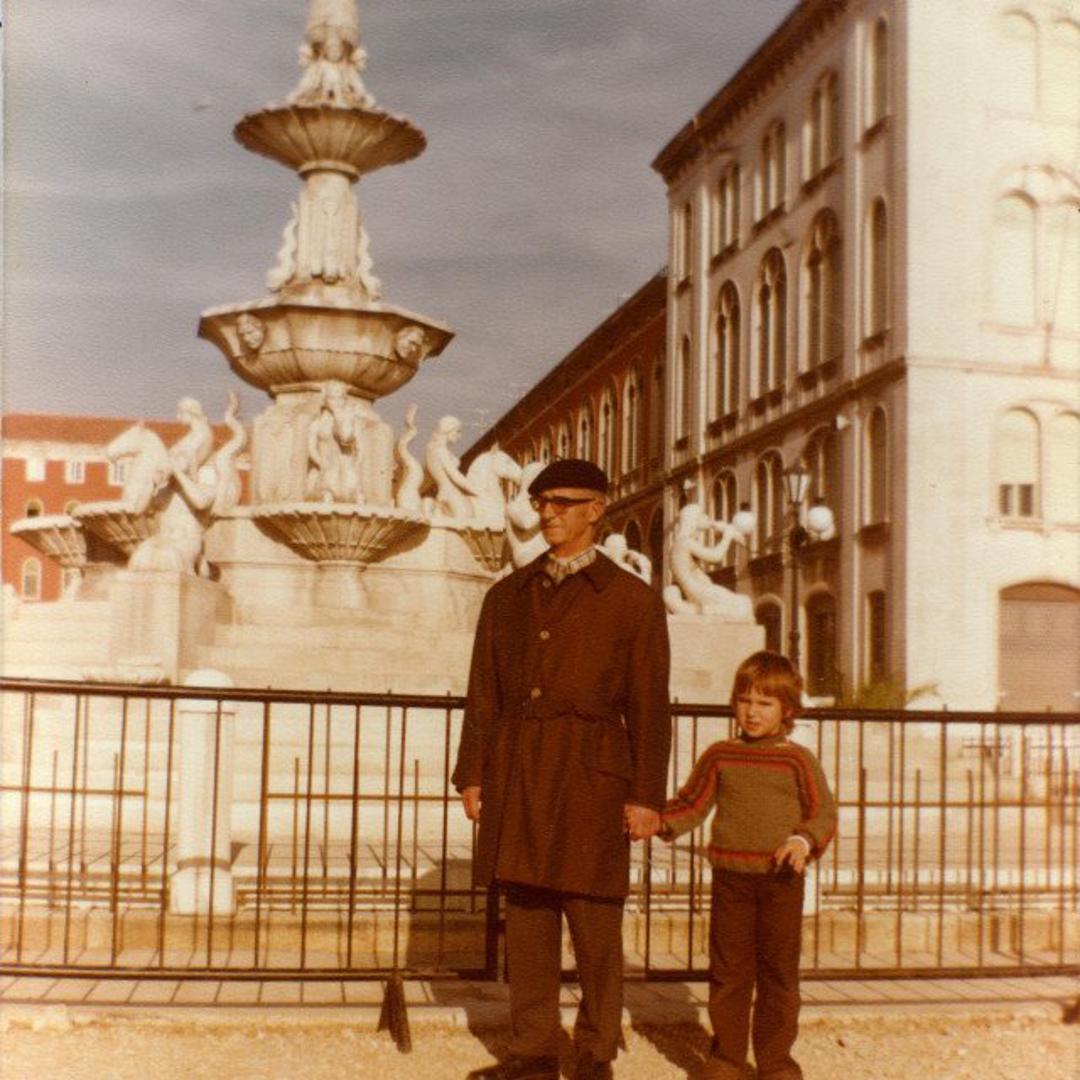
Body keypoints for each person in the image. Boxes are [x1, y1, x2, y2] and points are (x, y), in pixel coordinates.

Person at [453, 458, 671, 1080]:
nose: (547, 513)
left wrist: (646, 796)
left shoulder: (632, 600)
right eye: (541, 502)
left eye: (562, 502)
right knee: (527, 916)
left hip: (592, 775)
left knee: (594, 919)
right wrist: (473, 774)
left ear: (596, 509)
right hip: (519, 768)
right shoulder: (507, 596)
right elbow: (484, 692)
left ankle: (595, 1053)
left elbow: (649, 706)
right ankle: (533, 1050)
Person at [659, 650, 836, 1080]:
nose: (752, 712)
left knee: (778, 974)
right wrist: (657, 821)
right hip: (732, 881)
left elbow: (823, 814)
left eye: (764, 703)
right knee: (729, 972)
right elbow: (692, 804)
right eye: (744, 701)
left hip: (781, 881)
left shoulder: (798, 760)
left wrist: (802, 840)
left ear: (787, 709)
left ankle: (776, 1062)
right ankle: (727, 1059)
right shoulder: (720, 755)